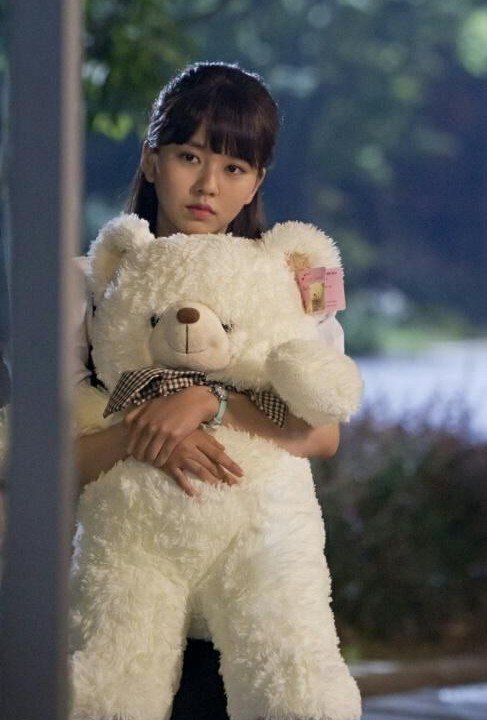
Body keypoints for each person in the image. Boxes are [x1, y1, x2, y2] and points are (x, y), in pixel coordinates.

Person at [74, 61, 345, 720]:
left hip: (248, 594)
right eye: (189, 156)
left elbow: (322, 433)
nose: (208, 186)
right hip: (118, 585)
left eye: (234, 167)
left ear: (258, 181)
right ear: (151, 159)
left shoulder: (284, 286)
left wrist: (210, 402)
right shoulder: (90, 284)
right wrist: (149, 436)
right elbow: (41, 456)